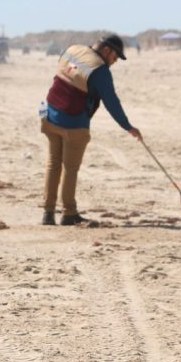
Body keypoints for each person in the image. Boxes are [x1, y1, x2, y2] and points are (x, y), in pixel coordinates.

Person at [41, 34, 142, 226]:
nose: (114, 62)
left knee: (53, 164)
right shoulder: (100, 70)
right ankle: (69, 213)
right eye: (115, 57)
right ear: (107, 50)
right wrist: (127, 126)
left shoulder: (72, 49)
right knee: (70, 169)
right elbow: (111, 102)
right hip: (74, 124)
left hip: (50, 115)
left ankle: (48, 213)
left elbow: (68, 73)